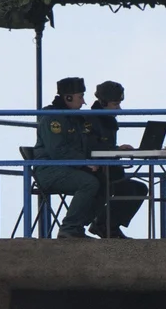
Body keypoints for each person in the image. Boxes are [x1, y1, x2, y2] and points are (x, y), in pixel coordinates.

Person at [33, 77, 102, 239]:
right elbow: (57, 151)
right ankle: (70, 228)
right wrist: (84, 163)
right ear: (68, 97)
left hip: (68, 167)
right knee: (89, 183)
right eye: (80, 96)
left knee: (105, 180)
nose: (84, 102)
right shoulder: (53, 118)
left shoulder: (74, 118)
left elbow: (87, 143)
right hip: (49, 170)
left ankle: (83, 226)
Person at [86, 80, 150, 238]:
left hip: (110, 170)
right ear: (103, 102)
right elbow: (90, 148)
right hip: (95, 171)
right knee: (128, 189)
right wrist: (115, 150)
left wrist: (117, 150)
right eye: (115, 104)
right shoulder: (89, 119)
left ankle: (108, 225)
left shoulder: (107, 120)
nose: (119, 108)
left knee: (139, 188)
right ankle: (103, 225)